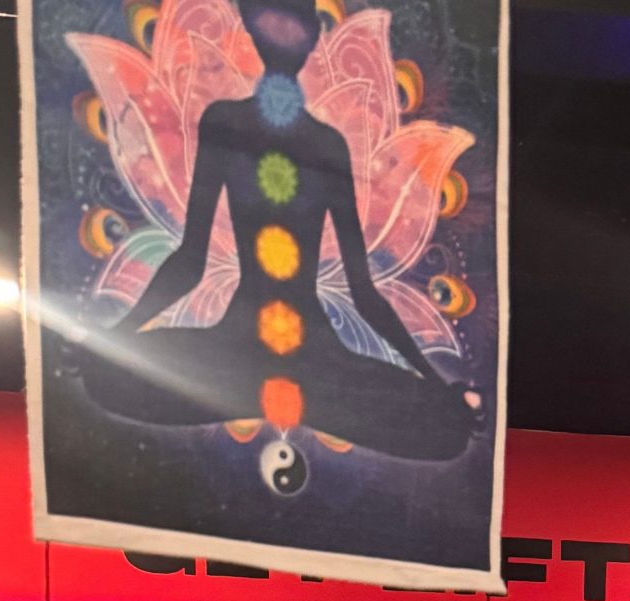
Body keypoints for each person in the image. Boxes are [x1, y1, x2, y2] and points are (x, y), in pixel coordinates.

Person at [76, 1, 473, 462]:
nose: (284, 34)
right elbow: (190, 260)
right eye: (272, 20)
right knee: (107, 375)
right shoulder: (223, 122)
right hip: (236, 348)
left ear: (313, 36)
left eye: (296, 25)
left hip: (317, 359)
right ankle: (267, 393)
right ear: (251, 26)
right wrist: (116, 338)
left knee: (447, 430)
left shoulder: (328, 145)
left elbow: (363, 292)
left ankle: (266, 394)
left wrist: (433, 382)